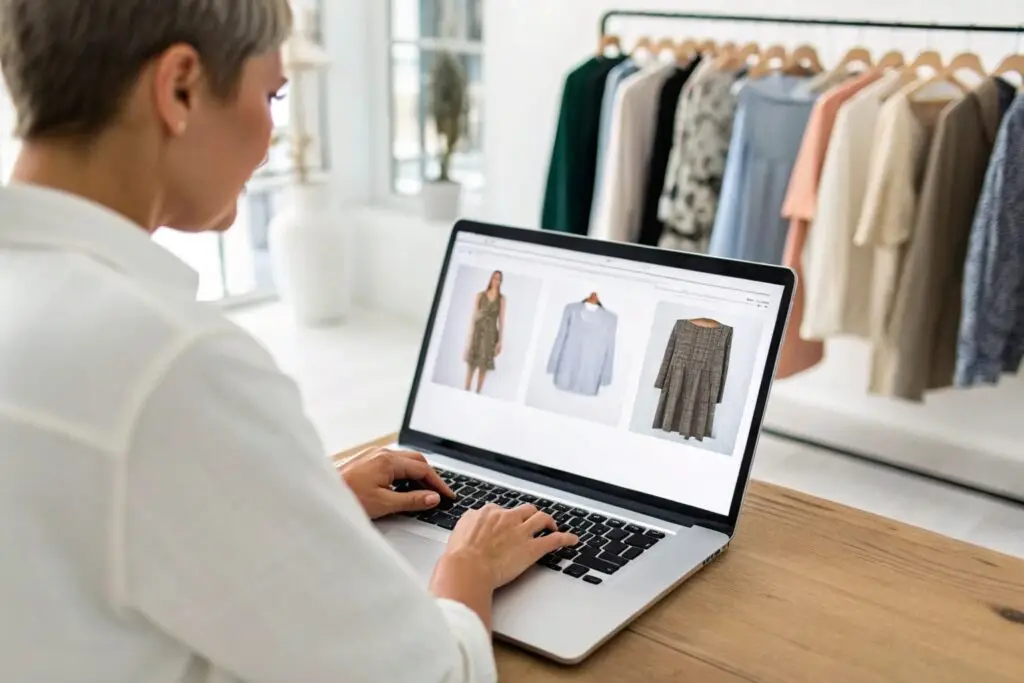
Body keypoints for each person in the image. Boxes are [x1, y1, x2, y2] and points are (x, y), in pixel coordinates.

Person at [0, 2, 578, 682]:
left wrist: (287, 502)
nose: (273, 134)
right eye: (271, 94)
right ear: (181, 86)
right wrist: (467, 564)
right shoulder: (171, 363)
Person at [463, 270, 506, 393]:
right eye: (494, 278)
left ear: (501, 282)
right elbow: (473, 318)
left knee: (483, 367)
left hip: (491, 334)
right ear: (491, 279)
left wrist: (500, 341)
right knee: (471, 365)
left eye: (499, 279)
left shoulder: (501, 299)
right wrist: (468, 341)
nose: (496, 281)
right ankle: (466, 391)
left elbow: (501, 321)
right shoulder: (480, 295)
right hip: (478, 331)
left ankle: (478, 393)